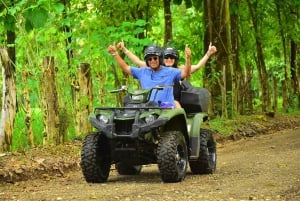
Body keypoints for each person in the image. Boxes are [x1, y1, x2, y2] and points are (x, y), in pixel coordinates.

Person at [117, 42, 217, 108]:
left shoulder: (176, 70)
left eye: (171, 57)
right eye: (167, 57)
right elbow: (137, 62)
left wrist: (206, 54)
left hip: (172, 99)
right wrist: (124, 50)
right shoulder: (150, 67)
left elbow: (194, 68)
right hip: (151, 103)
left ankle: (184, 128)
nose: (169, 59)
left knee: (176, 104)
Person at [107, 44, 191, 108]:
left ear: (160, 59)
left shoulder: (170, 71)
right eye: (149, 59)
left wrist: (187, 58)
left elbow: (185, 73)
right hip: (147, 108)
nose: (152, 61)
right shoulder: (143, 72)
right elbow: (125, 67)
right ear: (147, 61)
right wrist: (115, 54)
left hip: (166, 108)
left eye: (155, 58)